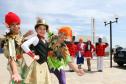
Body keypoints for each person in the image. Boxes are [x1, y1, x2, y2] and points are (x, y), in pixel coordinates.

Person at [3, 12, 33, 84]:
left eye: (17, 24)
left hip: (22, 61)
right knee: (17, 81)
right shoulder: (10, 39)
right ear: (8, 26)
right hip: (14, 63)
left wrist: (26, 35)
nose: (16, 26)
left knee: (25, 79)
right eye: (13, 25)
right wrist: (15, 72)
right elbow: (12, 58)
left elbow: (20, 39)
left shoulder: (18, 34)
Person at [21, 17, 51, 84]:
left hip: (45, 64)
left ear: (46, 30)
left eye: (44, 29)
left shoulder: (46, 41)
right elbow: (24, 45)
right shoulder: (35, 38)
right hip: (37, 65)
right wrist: (33, 55)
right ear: (36, 29)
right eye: (40, 28)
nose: (42, 30)